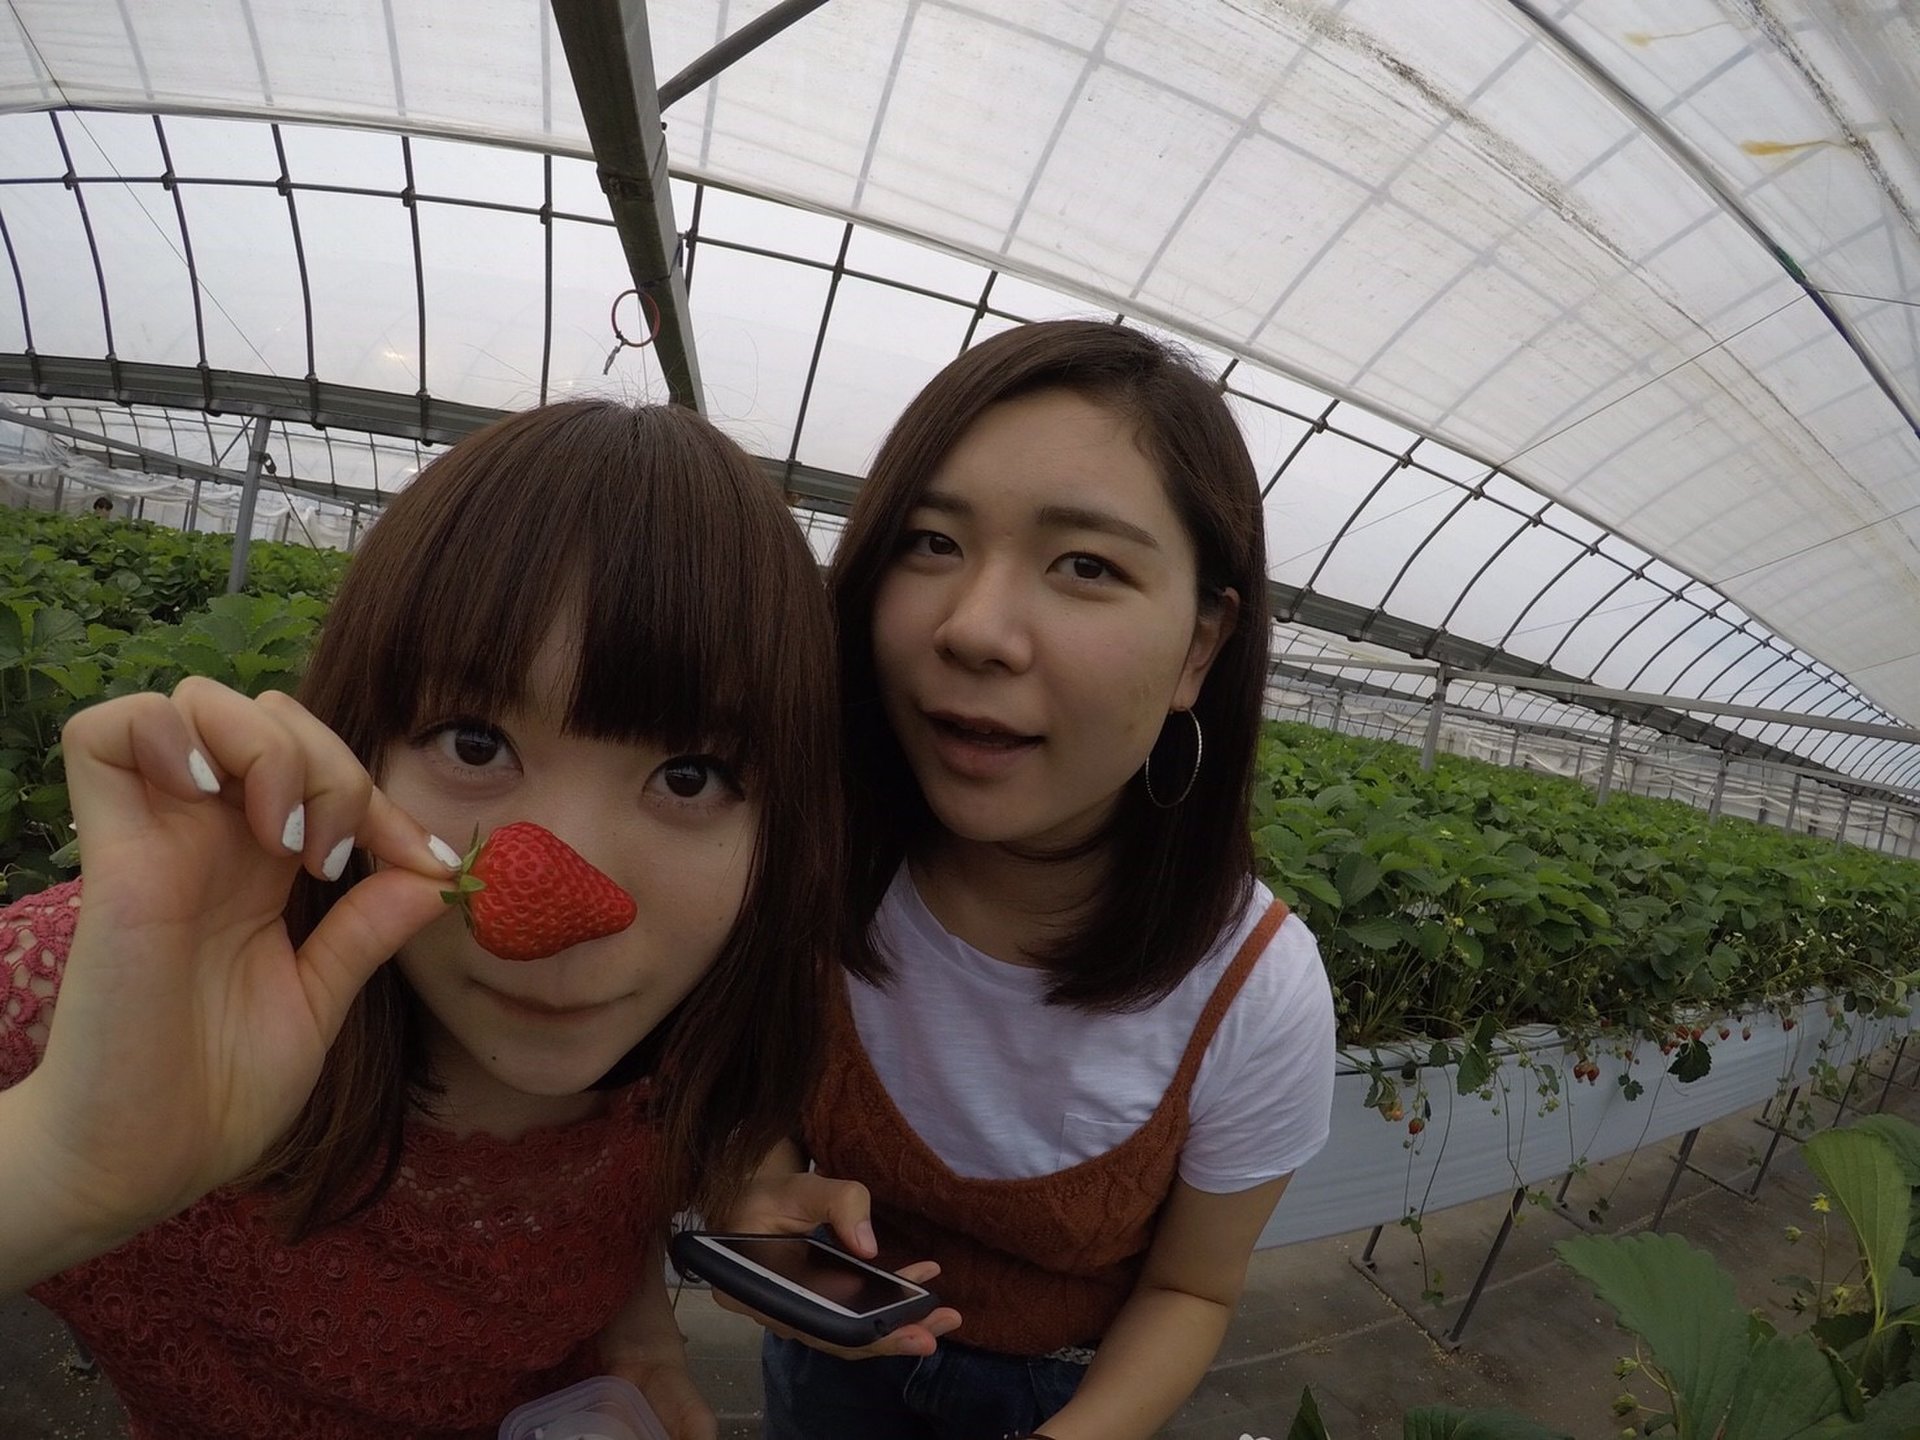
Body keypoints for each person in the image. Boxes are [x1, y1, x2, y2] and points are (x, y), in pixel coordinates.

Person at [0, 400, 840, 1439]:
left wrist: (642, 1335)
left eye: (691, 773)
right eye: (475, 744)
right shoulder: (116, 987)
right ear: (360, 739)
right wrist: (59, 1167)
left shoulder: (703, 1037)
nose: (575, 909)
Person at [727, 320, 1338, 1440]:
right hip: (820, 1372)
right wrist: (759, 1198)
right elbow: (749, 1110)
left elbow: (1190, 1291)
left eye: (1086, 566)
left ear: (1200, 647)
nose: (974, 629)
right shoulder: (799, 856)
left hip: (1061, 1399)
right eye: (930, 541)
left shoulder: (1255, 991)